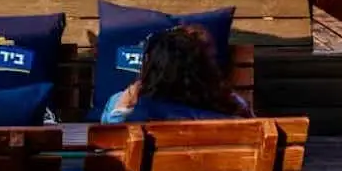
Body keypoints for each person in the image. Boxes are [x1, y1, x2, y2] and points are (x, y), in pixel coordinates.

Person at [102, 26, 251, 123]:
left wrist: (120, 112)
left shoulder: (130, 110)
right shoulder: (234, 111)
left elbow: (110, 148)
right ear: (209, 67)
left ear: (152, 66)